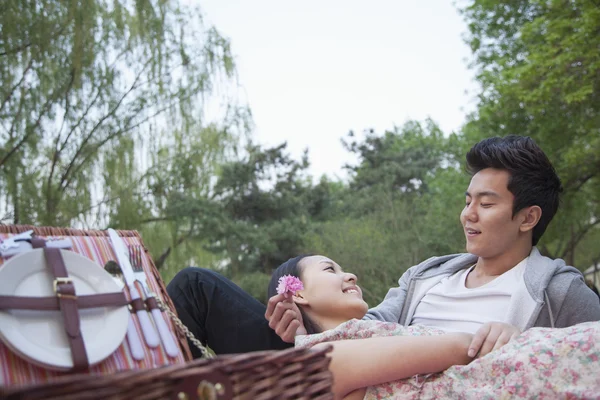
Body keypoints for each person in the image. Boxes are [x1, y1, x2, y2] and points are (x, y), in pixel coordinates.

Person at [166, 135, 600, 358]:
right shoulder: (429, 276)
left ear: (528, 217)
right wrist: (302, 324)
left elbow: (585, 359)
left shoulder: (558, 293)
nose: (468, 214)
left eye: (486, 204)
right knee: (196, 287)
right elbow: (371, 324)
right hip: (364, 366)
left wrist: (524, 340)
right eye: (467, 201)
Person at [268, 254, 600, 399]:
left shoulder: (355, 339)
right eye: (330, 269)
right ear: (298, 295)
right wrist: (502, 335)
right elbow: (458, 347)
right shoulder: (322, 358)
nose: (350, 275)